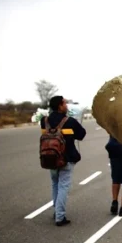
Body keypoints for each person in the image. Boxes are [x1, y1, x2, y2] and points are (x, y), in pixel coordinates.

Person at [40, 95, 86, 226]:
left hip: (49, 158)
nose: (66, 105)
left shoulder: (44, 120)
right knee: (63, 186)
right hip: (66, 159)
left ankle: (56, 211)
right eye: (65, 103)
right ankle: (60, 217)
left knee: (55, 184)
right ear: (60, 106)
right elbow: (81, 135)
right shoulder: (70, 121)